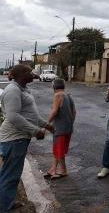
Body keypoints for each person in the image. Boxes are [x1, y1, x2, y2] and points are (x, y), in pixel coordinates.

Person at [0, 65, 54, 212]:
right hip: (14, 138)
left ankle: (7, 202)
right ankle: (4, 207)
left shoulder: (21, 89)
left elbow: (31, 114)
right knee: (10, 175)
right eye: (29, 72)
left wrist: (46, 125)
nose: (33, 74)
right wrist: (36, 131)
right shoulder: (13, 90)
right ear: (22, 75)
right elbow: (13, 116)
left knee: (13, 174)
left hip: (19, 138)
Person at [44, 79, 76, 180]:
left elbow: (54, 112)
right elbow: (74, 112)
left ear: (54, 87)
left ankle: (63, 171)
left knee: (59, 150)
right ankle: (53, 169)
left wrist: (45, 124)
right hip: (68, 128)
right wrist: (69, 123)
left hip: (60, 128)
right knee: (57, 150)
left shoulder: (57, 95)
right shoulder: (69, 96)